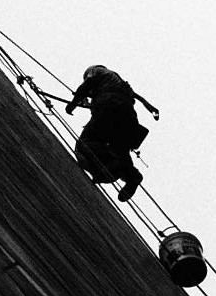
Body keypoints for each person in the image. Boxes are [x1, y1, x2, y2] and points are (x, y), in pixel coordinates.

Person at [66, 65, 159, 201]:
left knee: (85, 143)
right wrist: (151, 109)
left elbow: (87, 85)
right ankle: (132, 176)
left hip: (109, 108)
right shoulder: (119, 84)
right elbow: (139, 99)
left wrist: (72, 104)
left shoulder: (96, 71)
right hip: (129, 117)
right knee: (120, 150)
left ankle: (109, 165)